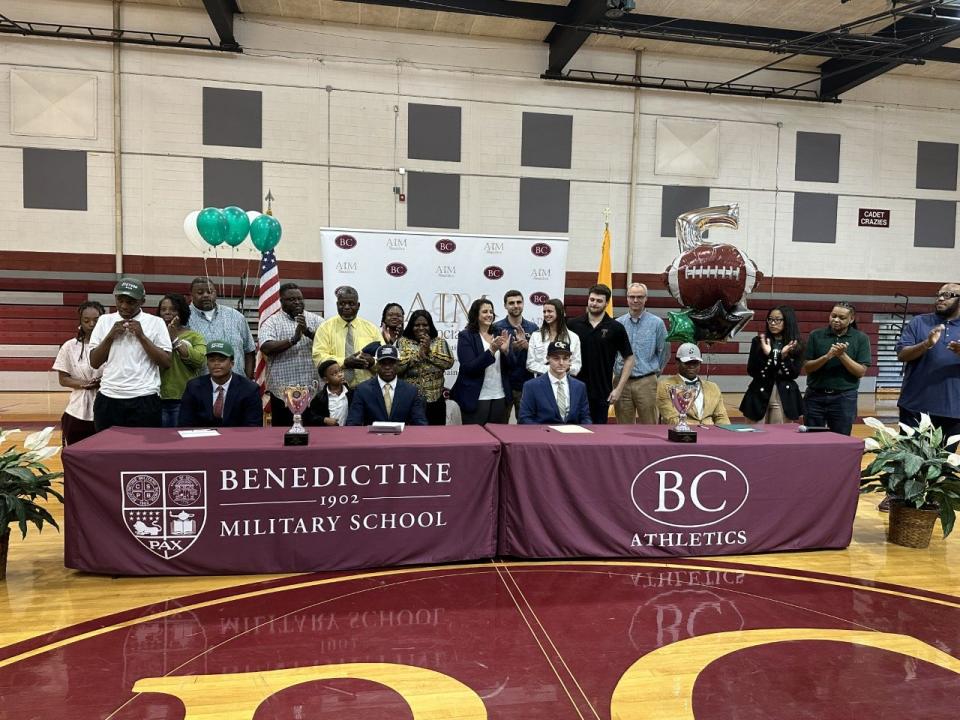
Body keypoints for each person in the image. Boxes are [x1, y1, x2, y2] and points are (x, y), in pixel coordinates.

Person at [89, 278, 172, 431]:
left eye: (131, 302)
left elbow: (166, 362)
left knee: (143, 453)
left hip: (145, 397)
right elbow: (94, 362)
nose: (124, 306)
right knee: (107, 451)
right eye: (120, 300)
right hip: (109, 397)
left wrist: (142, 336)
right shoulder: (104, 321)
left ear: (142, 301)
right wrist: (110, 336)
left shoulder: (156, 322)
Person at [895, 283, 960, 444]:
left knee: (942, 465)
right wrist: (926, 344)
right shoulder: (919, 322)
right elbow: (902, 355)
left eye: (948, 295)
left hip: (954, 410)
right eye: (939, 294)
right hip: (914, 407)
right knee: (909, 465)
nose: (940, 298)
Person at [568, 284, 635, 424]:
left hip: (601, 392)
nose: (594, 303)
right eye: (592, 299)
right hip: (574, 390)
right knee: (572, 433)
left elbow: (629, 358)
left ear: (607, 303)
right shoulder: (573, 324)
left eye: (599, 301)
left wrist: (618, 388)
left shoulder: (616, 327)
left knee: (598, 436)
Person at [258, 282, 323, 427]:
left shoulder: (316, 320)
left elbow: (329, 344)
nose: (297, 302)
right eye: (291, 299)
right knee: (283, 434)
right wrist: (293, 340)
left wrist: (308, 332)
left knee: (317, 435)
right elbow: (266, 347)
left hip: (313, 391)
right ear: (281, 302)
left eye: (300, 299)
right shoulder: (272, 322)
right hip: (282, 394)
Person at [802, 301, 871, 436]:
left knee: (841, 439)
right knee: (811, 439)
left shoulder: (861, 338)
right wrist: (827, 356)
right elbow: (807, 368)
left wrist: (842, 355)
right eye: (833, 316)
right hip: (815, 396)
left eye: (842, 317)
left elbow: (860, 372)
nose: (836, 320)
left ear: (851, 319)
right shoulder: (816, 335)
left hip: (844, 397)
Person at [451, 297, 513, 424]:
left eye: (491, 311)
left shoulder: (499, 333)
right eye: (485, 311)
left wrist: (506, 351)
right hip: (476, 396)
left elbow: (512, 366)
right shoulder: (466, 336)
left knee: (498, 437)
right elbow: (469, 368)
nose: (489, 315)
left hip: (499, 395)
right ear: (476, 314)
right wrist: (491, 350)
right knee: (475, 439)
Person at [739, 305, 805, 424]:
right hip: (759, 392)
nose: (772, 323)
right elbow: (752, 370)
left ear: (788, 321)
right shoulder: (758, 341)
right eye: (770, 319)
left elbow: (793, 373)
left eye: (777, 320)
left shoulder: (797, 344)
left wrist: (781, 357)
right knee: (754, 433)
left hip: (783, 394)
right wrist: (774, 356)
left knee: (779, 435)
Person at [614, 282, 668, 425]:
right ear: (627, 298)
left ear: (646, 299)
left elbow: (664, 352)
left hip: (646, 381)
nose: (635, 300)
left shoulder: (657, 324)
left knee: (649, 425)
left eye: (640, 297)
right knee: (623, 427)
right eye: (632, 297)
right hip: (622, 383)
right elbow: (613, 354)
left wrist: (653, 374)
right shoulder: (618, 324)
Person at [53, 301, 105, 445]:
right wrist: (85, 384)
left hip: (104, 410)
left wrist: (102, 382)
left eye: (96, 320)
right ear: (80, 322)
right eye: (86, 320)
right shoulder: (69, 347)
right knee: (75, 456)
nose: (92, 324)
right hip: (76, 412)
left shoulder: (113, 346)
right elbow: (63, 379)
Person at [179, 341, 263, 428]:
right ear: (207, 364)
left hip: (237, 439)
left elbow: (253, 426)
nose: (216, 363)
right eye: (212, 360)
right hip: (202, 439)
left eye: (221, 359)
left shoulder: (249, 389)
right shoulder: (193, 387)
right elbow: (185, 424)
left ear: (232, 363)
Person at [186, 277, 256, 377]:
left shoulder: (235, 316)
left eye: (210, 292)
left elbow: (249, 351)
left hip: (237, 386)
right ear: (191, 295)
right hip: (200, 388)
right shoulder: (184, 318)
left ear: (216, 293)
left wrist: (247, 383)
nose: (206, 295)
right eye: (200, 293)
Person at [311, 285, 381, 386]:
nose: (346, 307)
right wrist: (344, 362)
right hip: (337, 390)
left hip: (367, 389)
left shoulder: (371, 329)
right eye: (342, 303)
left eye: (351, 303)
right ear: (337, 305)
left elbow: (384, 358)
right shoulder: (325, 328)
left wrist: (372, 362)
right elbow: (319, 358)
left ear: (358, 305)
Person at [397, 309, 454, 426]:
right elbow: (397, 367)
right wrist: (417, 356)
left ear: (430, 326)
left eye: (425, 325)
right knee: (412, 438)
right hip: (410, 401)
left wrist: (429, 353)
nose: (421, 328)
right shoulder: (402, 342)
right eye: (417, 325)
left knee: (435, 437)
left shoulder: (440, 342)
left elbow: (449, 363)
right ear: (411, 326)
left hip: (435, 400)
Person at [158, 293, 207, 428]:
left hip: (183, 398)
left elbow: (199, 361)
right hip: (155, 398)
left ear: (182, 312)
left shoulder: (194, 336)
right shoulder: (153, 334)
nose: (167, 312)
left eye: (173, 309)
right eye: (163, 309)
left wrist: (175, 340)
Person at [346, 345, 427, 426]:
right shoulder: (362, 390)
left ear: (398, 364)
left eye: (391, 363)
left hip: (402, 437)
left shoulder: (411, 391)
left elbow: (420, 424)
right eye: (383, 363)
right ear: (377, 364)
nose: (387, 367)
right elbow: (353, 423)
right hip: (372, 437)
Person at [518, 341, 591, 425]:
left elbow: (585, 417)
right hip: (544, 435)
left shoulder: (579, 386)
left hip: (573, 435)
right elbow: (525, 418)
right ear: (548, 359)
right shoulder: (531, 386)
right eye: (556, 358)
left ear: (570, 361)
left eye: (565, 358)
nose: (561, 363)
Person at [657, 343, 730, 426]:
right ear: (677, 363)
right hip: (683, 434)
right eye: (687, 363)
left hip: (712, 433)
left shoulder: (713, 387)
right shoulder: (665, 386)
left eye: (695, 362)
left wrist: (726, 433)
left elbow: (721, 417)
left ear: (700, 364)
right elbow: (671, 418)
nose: (691, 366)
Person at [492, 290, 538, 421]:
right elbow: (492, 354)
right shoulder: (497, 327)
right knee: (500, 424)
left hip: (525, 383)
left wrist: (527, 346)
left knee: (525, 426)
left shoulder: (533, 327)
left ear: (523, 304)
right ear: (505, 306)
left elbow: (540, 356)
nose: (516, 305)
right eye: (511, 303)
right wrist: (510, 349)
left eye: (519, 302)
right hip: (503, 383)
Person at [527, 298, 582, 377]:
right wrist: (552, 369)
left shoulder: (573, 337)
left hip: (564, 382)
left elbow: (577, 366)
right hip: (541, 381)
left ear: (559, 312)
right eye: (544, 312)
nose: (546, 314)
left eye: (549, 311)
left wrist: (565, 368)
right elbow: (530, 364)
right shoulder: (536, 336)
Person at [304, 360, 353, 427]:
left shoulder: (351, 393)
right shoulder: (319, 398)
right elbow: (311, 417)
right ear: (326, 380)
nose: (340, 374)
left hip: (349, 431)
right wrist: (324, 420)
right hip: (328, 432)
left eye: (341, 371)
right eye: (334, 374)